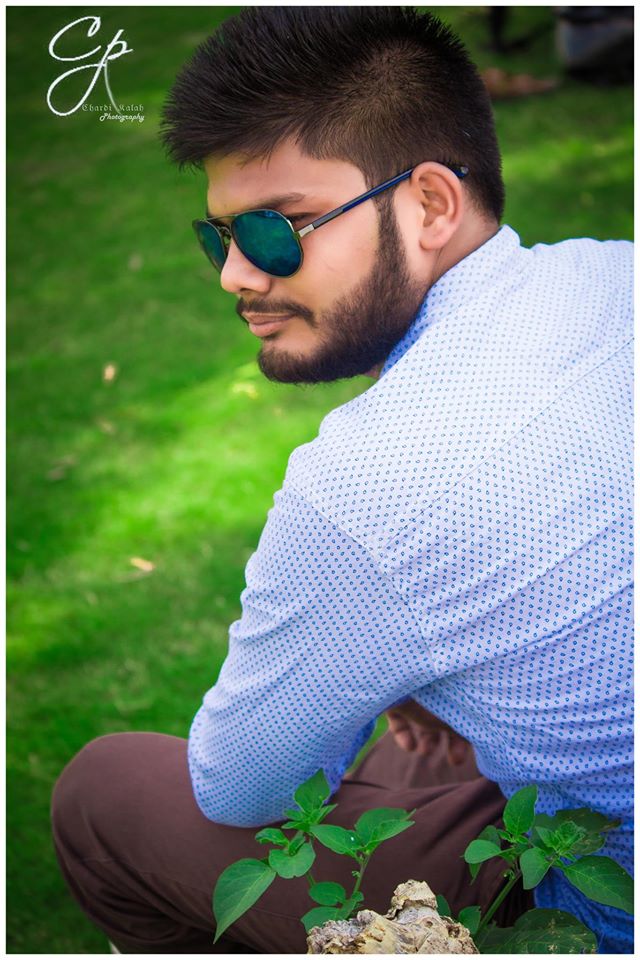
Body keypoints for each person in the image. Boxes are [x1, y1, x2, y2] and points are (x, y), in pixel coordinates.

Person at [51, 7, 633, 954]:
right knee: (409, 737)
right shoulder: (614, 275)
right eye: (218, 236)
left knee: (103, 791)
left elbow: (240, 788)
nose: (235, 276)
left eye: (276, 231)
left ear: (431, 204)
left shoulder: (368, 485)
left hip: (608, 912)